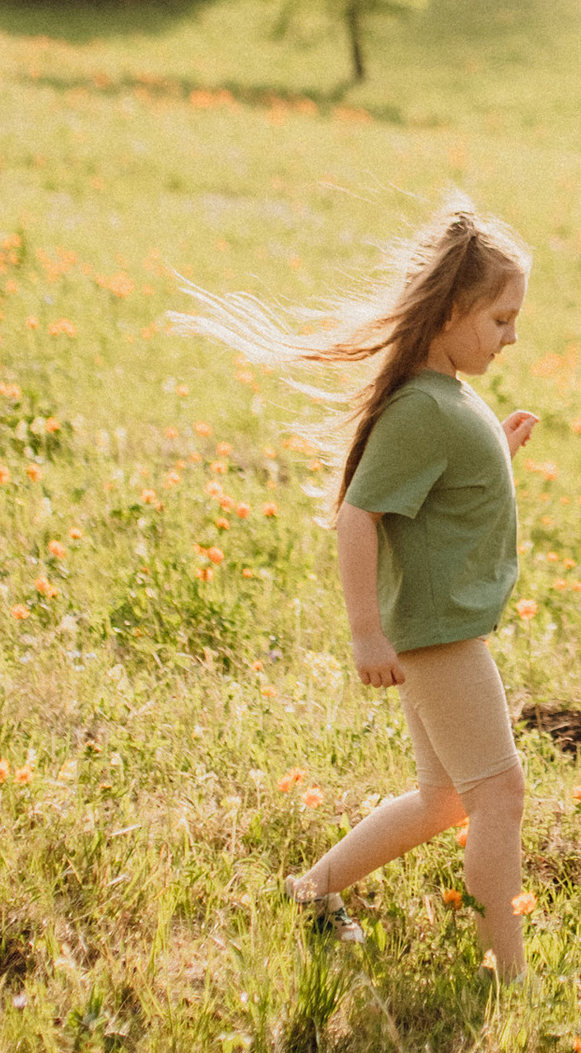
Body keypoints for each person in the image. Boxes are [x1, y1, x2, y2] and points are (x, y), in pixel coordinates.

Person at [182, 201, 538, 982]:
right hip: (439, 633)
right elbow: (358, 517)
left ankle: (310, 892)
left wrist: (494, 452)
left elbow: (440, 484)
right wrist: (365, 632)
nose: (512, 335)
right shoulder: (421, 406)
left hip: (441, 627)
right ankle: (502, 976)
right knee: (499, 796)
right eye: (503, 318)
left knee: (445, 799)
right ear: (452, 312)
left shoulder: (444, 394)